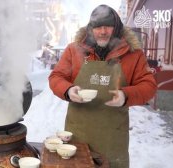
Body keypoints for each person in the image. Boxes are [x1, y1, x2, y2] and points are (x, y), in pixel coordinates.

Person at [48, 4, 157, 168]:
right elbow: (56, 77)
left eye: (108, 26)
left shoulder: (133, 54)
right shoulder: (74, 50)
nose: (103, 31)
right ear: (91, 28)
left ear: (117, 28)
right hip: (78, 134)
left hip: (113, 137)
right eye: (98, 27)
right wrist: (68, 90)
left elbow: (149, 86)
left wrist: (125, 95)